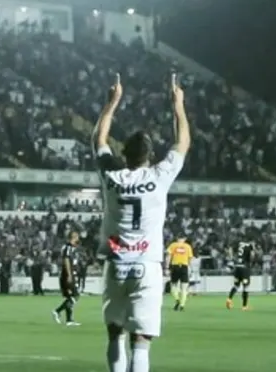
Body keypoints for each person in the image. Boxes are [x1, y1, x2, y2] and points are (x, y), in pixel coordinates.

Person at [95, 72, 189, 372]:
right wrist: (178, 106)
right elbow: (183, 142)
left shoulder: (112, 176)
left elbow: (98, 139)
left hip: (116, 264)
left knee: (114, 333)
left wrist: (112, 103)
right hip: (147, 265)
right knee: (142, 341)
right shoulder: (159, 177)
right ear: (150, 155)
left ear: (124, 154)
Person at [53, 231, 82, 326]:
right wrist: (69, 275)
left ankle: (69, 320)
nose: (78, 238)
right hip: (68, 275)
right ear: (74, 237)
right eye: (77, 236)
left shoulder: (73, 248)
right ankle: (57, 311)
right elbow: (66, 260)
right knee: (75, 296)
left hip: (72, 274)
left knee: (71, 297)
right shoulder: (67, 248)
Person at [165, 235, 194, 311]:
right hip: (184, 266)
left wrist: (167, 267)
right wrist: (190, 268)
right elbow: (190, 258)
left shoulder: (173, 245)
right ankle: (182, 305)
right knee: (184, 288)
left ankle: (177, 299)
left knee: (173, 286)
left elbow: (168, 256)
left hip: (175, 266)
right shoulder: (188, 246)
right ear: (185, 239)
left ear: (177, 238)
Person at [226, 241, 254, 310]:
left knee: (236, 285)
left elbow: (229, 249)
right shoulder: (250, 245)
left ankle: (229, 299)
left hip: (237, 267)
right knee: (246, 287)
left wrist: (231, 259)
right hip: (245, 268)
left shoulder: (238, 243)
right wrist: (251, 262)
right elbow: (252, 255)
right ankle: (244, 306)